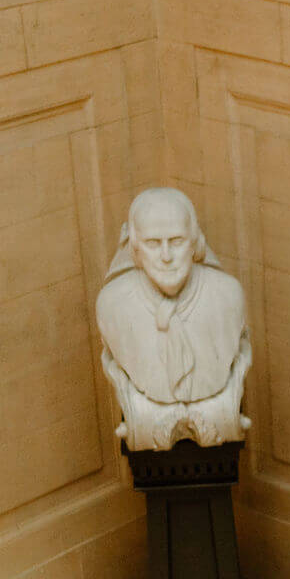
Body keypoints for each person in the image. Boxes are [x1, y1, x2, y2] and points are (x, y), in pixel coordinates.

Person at [96, 187, 253, 452]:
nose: (166, 257)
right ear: (135, 248)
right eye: (153, 243)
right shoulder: (113, 305)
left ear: (195, 242)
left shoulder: (227, 297)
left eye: (177, 241)